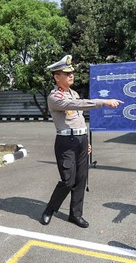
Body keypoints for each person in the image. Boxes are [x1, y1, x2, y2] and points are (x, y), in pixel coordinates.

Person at [40, 55, 123, 228]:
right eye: (66, 73)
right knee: (68, 180)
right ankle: (50, 209)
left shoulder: (74, 93)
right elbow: (78, 106)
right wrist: (104, 102)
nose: (71, 75)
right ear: (57, 77)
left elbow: (78, 118)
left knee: (81, 178)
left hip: (80, 140)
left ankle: (75, 214)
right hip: (66, 142)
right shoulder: (55, 97)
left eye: (71, 73)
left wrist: (84, 139)